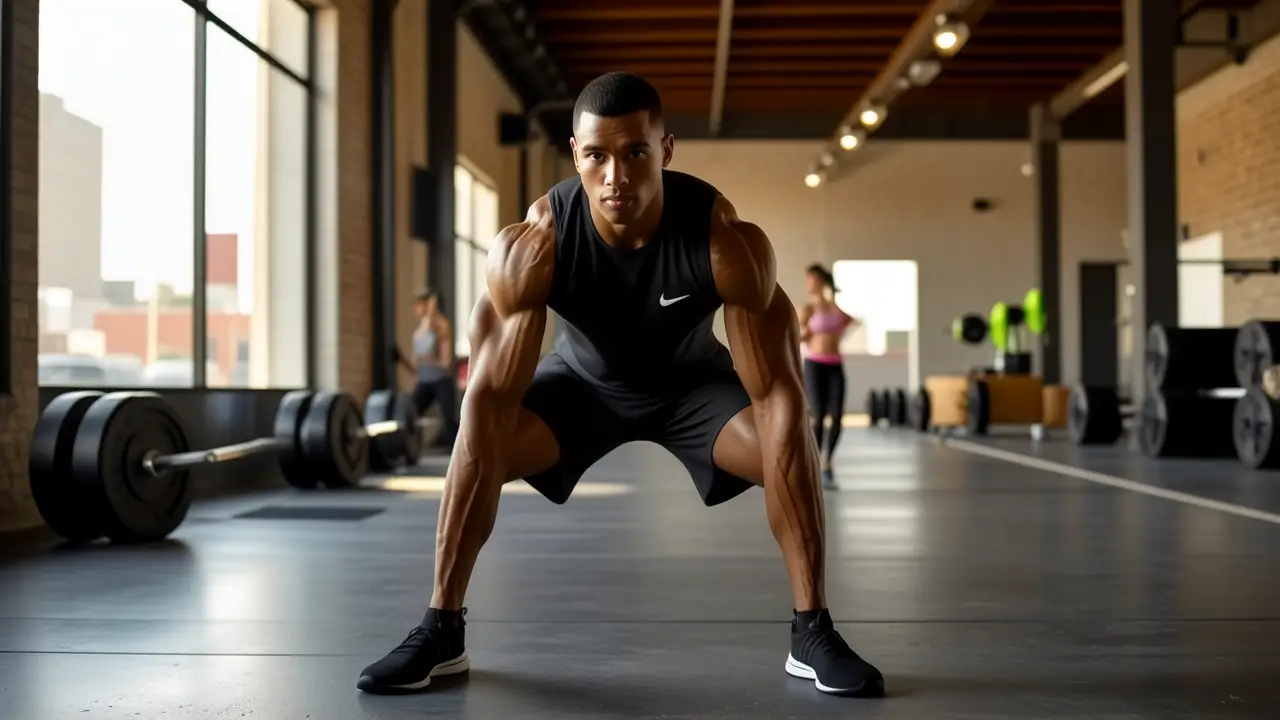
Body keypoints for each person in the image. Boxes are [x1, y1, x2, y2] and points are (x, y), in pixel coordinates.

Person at [357, 72, 884, 699]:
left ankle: (813, 632)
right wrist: (485, 433)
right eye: (596, 156)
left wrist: (783, 431)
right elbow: (491, 399)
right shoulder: (538, 246)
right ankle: (441, 630)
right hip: (581, 389)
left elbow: (777, 396)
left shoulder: (725, 244)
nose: (616, 175)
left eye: (635, 152)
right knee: (479, 423)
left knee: (787, 426)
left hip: (693, 392)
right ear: (575, 154)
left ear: (664, 150)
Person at [798, 264, 858, 489]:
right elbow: (797, 337)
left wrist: (838, 334)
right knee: (819, 414)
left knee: (838, 417)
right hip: (815, 364)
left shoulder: (835, 309)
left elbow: (850, 321)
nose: (807, 283)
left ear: (820, 280)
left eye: (810, 278)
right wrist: (807, 336)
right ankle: (815, 463)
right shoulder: (808, 309)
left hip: (836, 365)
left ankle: (827, 463)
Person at [398, 290, 458, 448]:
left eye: (418, 305)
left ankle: (457, 451)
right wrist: (401, 360)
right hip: (425, 381)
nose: (415, 309)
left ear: (427, 305)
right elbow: (415, 367)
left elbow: (445, 362)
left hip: (441, 380)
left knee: (449, 419)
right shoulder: (418, 332)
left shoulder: (441, 325)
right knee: (410, 412)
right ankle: (408, 447)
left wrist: (433, 305)